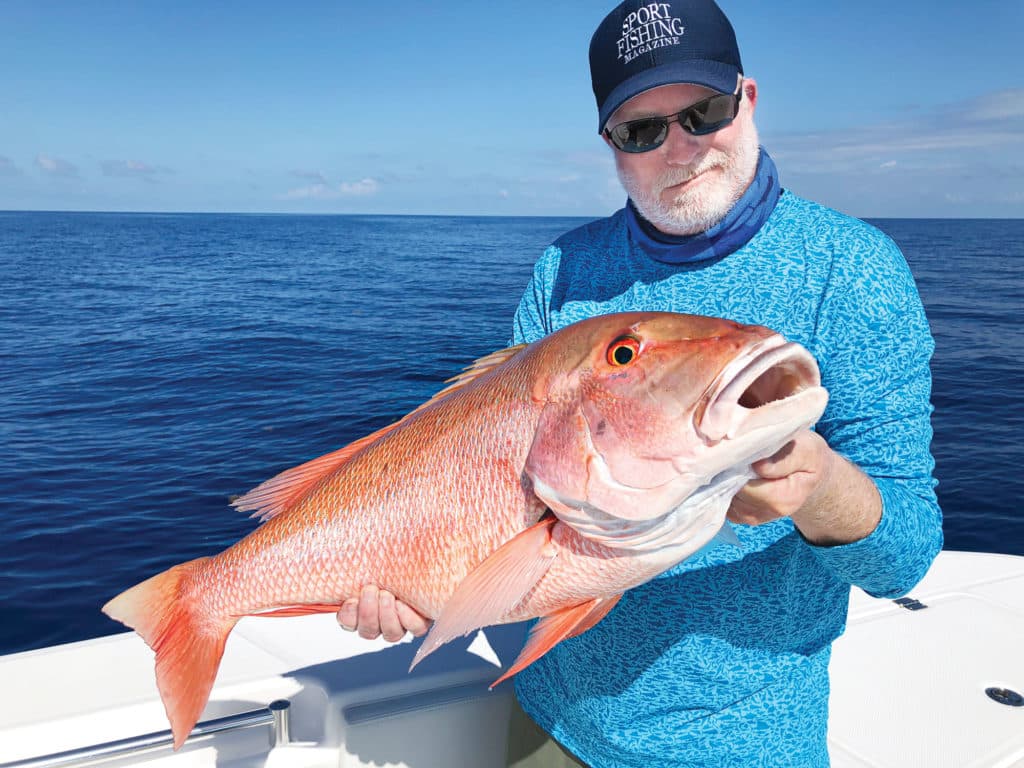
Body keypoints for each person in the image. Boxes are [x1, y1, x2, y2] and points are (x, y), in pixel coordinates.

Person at [337, 0, 944, 765]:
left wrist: (820, 487)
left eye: (704, 111)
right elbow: (510, 483)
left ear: (747, 101)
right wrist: (416, 580)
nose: (680, 148)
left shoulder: (853, 271)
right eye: (641, 130)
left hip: (744, 747)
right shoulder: (566, 269)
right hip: (548, 715)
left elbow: (907, 560)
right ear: (610, 145)